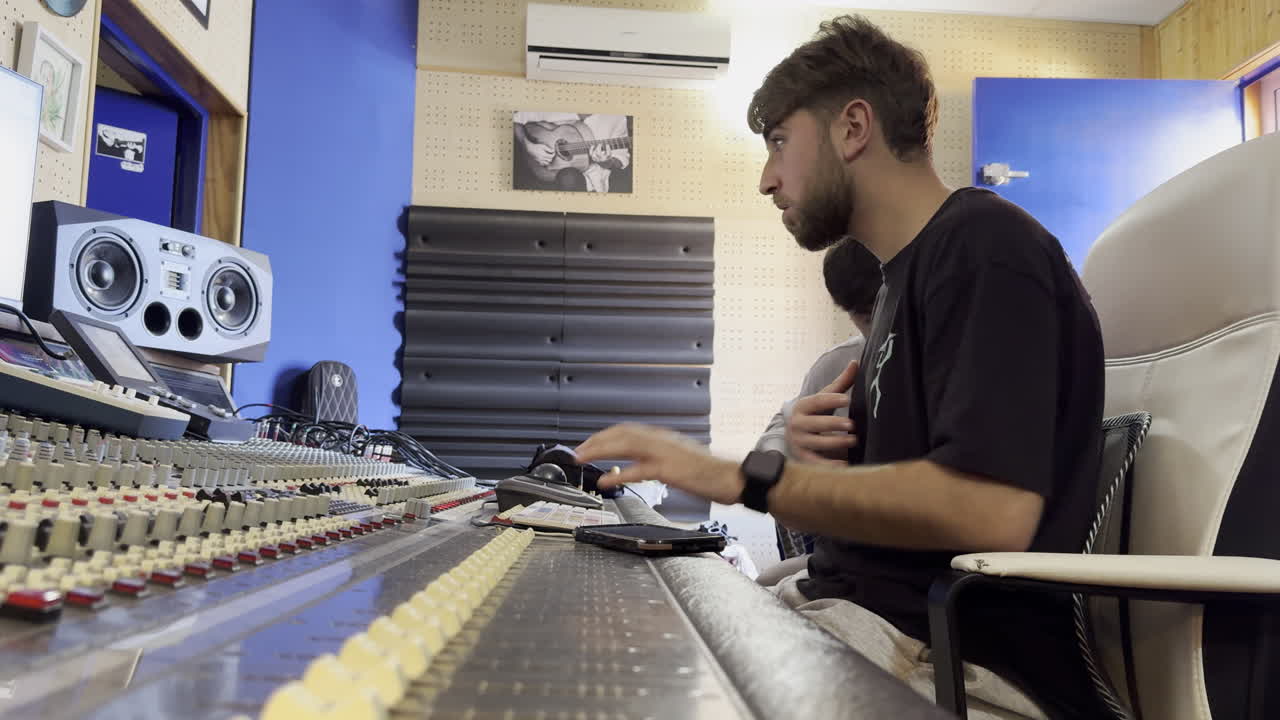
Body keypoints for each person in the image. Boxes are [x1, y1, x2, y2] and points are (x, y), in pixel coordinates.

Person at [576, 14, 1105, 719]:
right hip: (864, 617)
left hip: (945, 656)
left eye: (779, 143)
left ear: (853, 128)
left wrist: (742, 478)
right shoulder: (897, 284)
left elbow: (992, 510)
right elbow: (915, 494)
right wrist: (815, 449)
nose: (767, 179)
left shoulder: (986, 247)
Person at [754, 238, 879, 577]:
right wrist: (784, 461)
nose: (875, 331)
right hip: (847, 550)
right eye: (862, 318)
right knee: (766, 582)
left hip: (905, 558)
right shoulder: (837, 363)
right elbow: (777, 432)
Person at [513, 112, 631, 193]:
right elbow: (515, 120)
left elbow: (621, 160)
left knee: (568, 177)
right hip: (544, 171)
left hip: (590, 183)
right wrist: (529, 146)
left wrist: (605, 161)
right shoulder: (553, 102)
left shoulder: (616, 117)